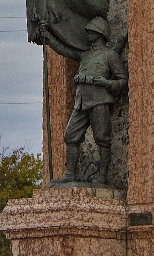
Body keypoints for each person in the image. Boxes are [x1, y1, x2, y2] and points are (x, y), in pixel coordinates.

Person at [39, 17, 127, 185]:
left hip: (99, 100)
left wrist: (105, 83)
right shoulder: (85, 54)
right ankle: (70, 173)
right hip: (82, 102)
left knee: (102, 139)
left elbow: (123, 80)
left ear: (99, 33)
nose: (87, 33)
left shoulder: (110, 55)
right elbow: (64, 50)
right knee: (70, 136)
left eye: (90, 30)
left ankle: (102, 176)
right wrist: (47, 36)